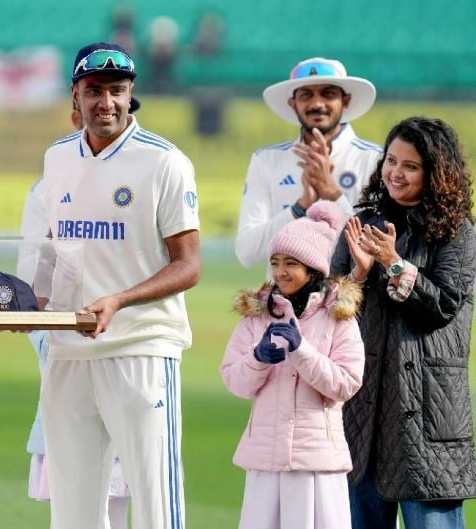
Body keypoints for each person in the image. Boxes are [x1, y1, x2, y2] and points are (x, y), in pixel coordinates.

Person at [38, 42, 201, 529]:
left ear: (131, 95)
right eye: (94, 91)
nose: (105, 102)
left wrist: (120, 300)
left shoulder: (164, 161)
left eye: (116, 91)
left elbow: (188, 265)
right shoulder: (57, 157)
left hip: (140, 345)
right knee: (72, 505)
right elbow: (56, 244)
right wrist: (32, 306)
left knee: (155, 499)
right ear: (75, 96)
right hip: (68, 349)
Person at [330, 116, 476, 529]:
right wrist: (357, 275)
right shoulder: (362, 225)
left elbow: (443, 306)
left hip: (427, 419)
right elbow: (329, 317)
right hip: (363, 417)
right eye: (391, 161)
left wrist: (393, 263)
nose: (395, 173)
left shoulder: (457, 233)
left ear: (436, 173)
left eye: (410, 166)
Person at [19, 96, 141, 529]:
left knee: (130, 491)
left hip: (129, 349)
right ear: (76, 114)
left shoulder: (144, 172)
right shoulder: (48, 186)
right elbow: (34, 279)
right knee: (77, 504)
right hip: (70, 346)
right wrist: (50, 339)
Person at [221, 200, 365, 529]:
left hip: (316, 462)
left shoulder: (338, 317)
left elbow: (346, 383)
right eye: (274, 262)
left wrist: (302, 352)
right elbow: (234, 380)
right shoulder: (257, 315)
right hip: (265, 459)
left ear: (313, 268)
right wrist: (258, 358)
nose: (280, 271)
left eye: (290, 263)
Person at [235, 57, 381, 272]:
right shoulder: (267, 160)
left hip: (352, 301)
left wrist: (332, 193)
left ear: (346, 100)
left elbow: (379, 249)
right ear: (293, 103)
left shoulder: (376, 159)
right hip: (285, 303)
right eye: (306, 95)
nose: (317, 104)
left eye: (328, 93)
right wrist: (301, 207)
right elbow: (247, 253)